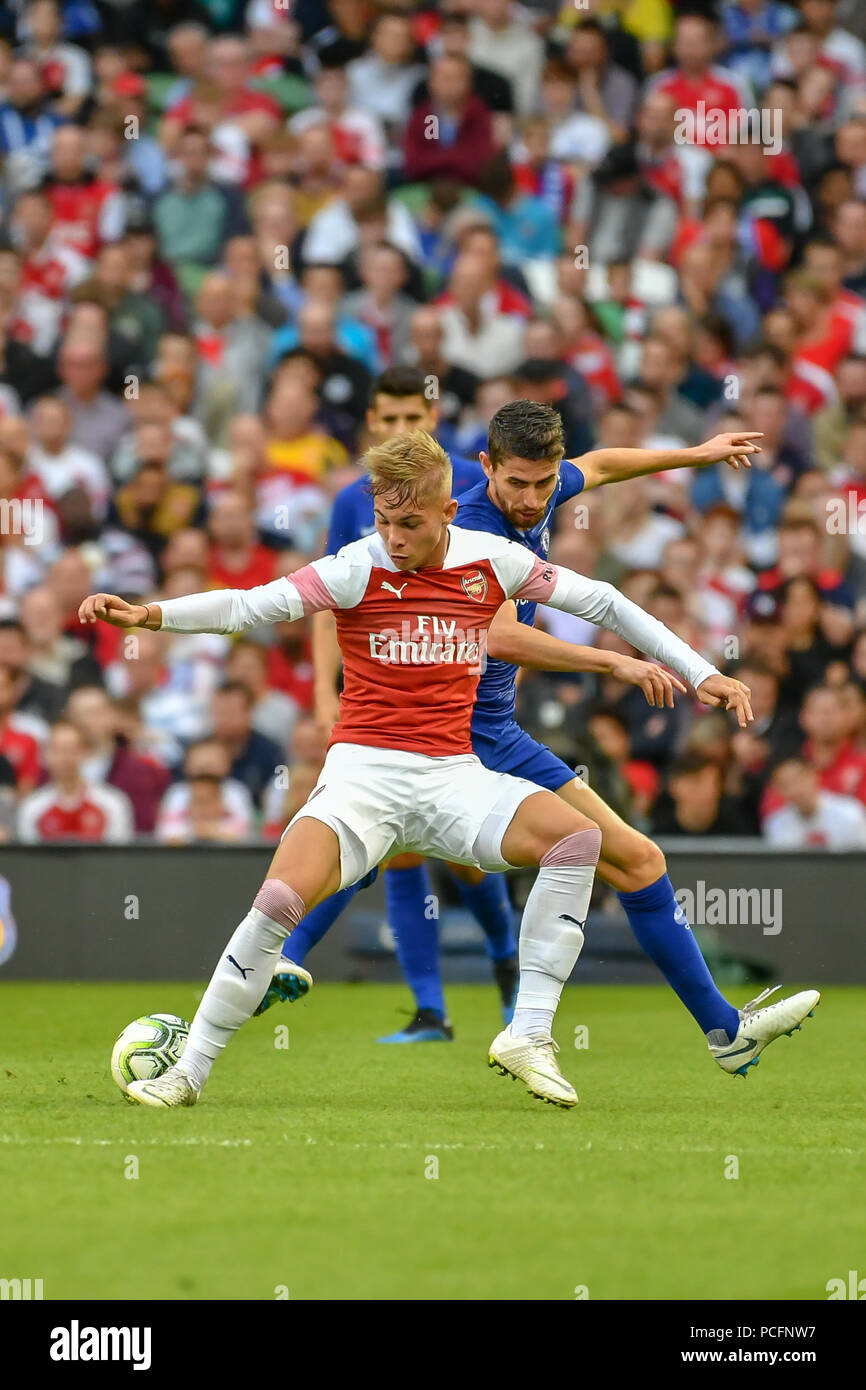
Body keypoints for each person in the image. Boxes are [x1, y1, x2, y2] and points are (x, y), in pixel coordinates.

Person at [79, 430, 819, 1109]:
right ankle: (189, 1072)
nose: (393, 539)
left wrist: (699, 674)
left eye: (410, 524)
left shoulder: (491, 560)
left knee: (577, 842)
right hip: (363, 776)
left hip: (453, 774)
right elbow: (248, 607)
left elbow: (607, 602)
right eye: (383, 521)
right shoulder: (353, 568)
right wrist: (148, 617)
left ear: (446, 509)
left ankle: (528, 1032)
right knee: (276, 900)